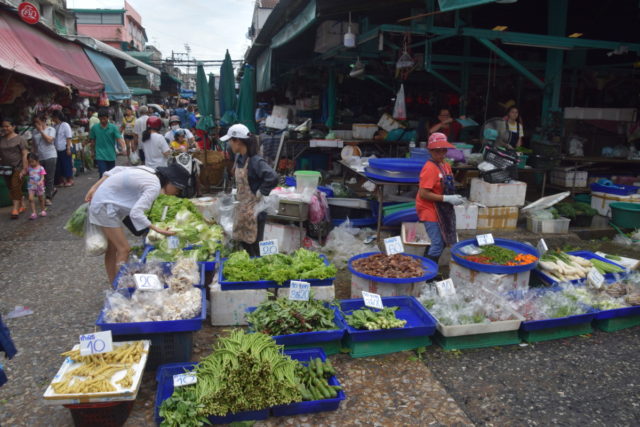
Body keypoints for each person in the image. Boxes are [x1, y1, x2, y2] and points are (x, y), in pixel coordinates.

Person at [84, 163, 190, 283]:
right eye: (178, 189)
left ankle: (114, 283)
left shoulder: (149, 171)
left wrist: (94, 187)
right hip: (105, 207)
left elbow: (117, 169)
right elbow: (136, 213)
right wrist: (157, 229)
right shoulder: (154, 186)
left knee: (113, 248)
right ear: (169, 182)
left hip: (106, 203)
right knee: (124, 249)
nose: (177, 193)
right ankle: (121, 287)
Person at [221, 124, 278, 256]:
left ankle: (259, 273)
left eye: (230, 140)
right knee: (245, 245)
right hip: (242, 210)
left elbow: (272, 177)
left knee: (256, 248)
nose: (229, 144)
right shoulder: (240, 157)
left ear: (238, 141)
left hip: (255, 211)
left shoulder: (255, 161)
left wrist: (261, 191)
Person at [416, 133, 465, 264]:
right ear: (430, 150)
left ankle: (424, 266)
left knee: (442, 240)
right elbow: (423, 193)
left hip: (442, 209)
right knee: (437, 244)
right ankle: (428, 278)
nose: (441, 153)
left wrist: (454, 197)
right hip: (429, 209)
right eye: (437, 151)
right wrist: (446, 198)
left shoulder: (445, 165)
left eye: (443, 150)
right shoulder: (429, 168)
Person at [0, 119, 28, 219]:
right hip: (5, 168)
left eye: (7, 126)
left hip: (18, 167)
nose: (5, 128)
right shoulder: (1, 139)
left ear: (13, 127)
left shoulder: (20, 139)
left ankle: (15, 209)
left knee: (15, 185)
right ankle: (21, 203)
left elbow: (24, 153)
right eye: (3, 126)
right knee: (11, 187)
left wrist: (24, 168)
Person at [89, 109, 125, 178]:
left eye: (104, 119)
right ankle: (101, 188)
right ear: (99, 118)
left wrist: (124, 148)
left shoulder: (113, 127)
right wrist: (92, 151)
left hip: (111, 155)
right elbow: (92, 141)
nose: (103, 120)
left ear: (108, 118)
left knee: (111, 175)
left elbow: (119, 139)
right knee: (103, 174)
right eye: (101, 119)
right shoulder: (95, 128)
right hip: (100, 155)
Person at [31, 115, 57, 205]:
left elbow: (49, 140)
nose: (37, 124)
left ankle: (48, 198)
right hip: (39, 157)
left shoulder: (51, 130)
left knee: (49, 177)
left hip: (50, 155)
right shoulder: (34, 132)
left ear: (44, 121)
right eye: (35, 123)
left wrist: (41, 131)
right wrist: (33, 156)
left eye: (38, 122)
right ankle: (50, 190)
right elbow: (34, 145)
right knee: (41, 177)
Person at [51, 110, 74, 187]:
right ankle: (62, 180)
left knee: (67, 164)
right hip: (57, 149)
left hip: (65, 148)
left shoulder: (65, 125)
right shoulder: (54, 126)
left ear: (56, 117)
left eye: (53, 117)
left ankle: (69, 180)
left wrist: (68, 148)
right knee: (60, 165)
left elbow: (68, 137)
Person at [25, 153, 47, 220]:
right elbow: (26, 173)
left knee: (41, 199)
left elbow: (43, 177)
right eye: (29, 162)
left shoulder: (41, 168)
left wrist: (40, 181)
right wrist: (22, 173)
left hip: (39, 186)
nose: (31, 163)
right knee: (30, 199)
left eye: (32, 161)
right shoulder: (29, 168)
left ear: (37, 161)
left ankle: (43, 210)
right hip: (31, 186)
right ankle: (34, 213)